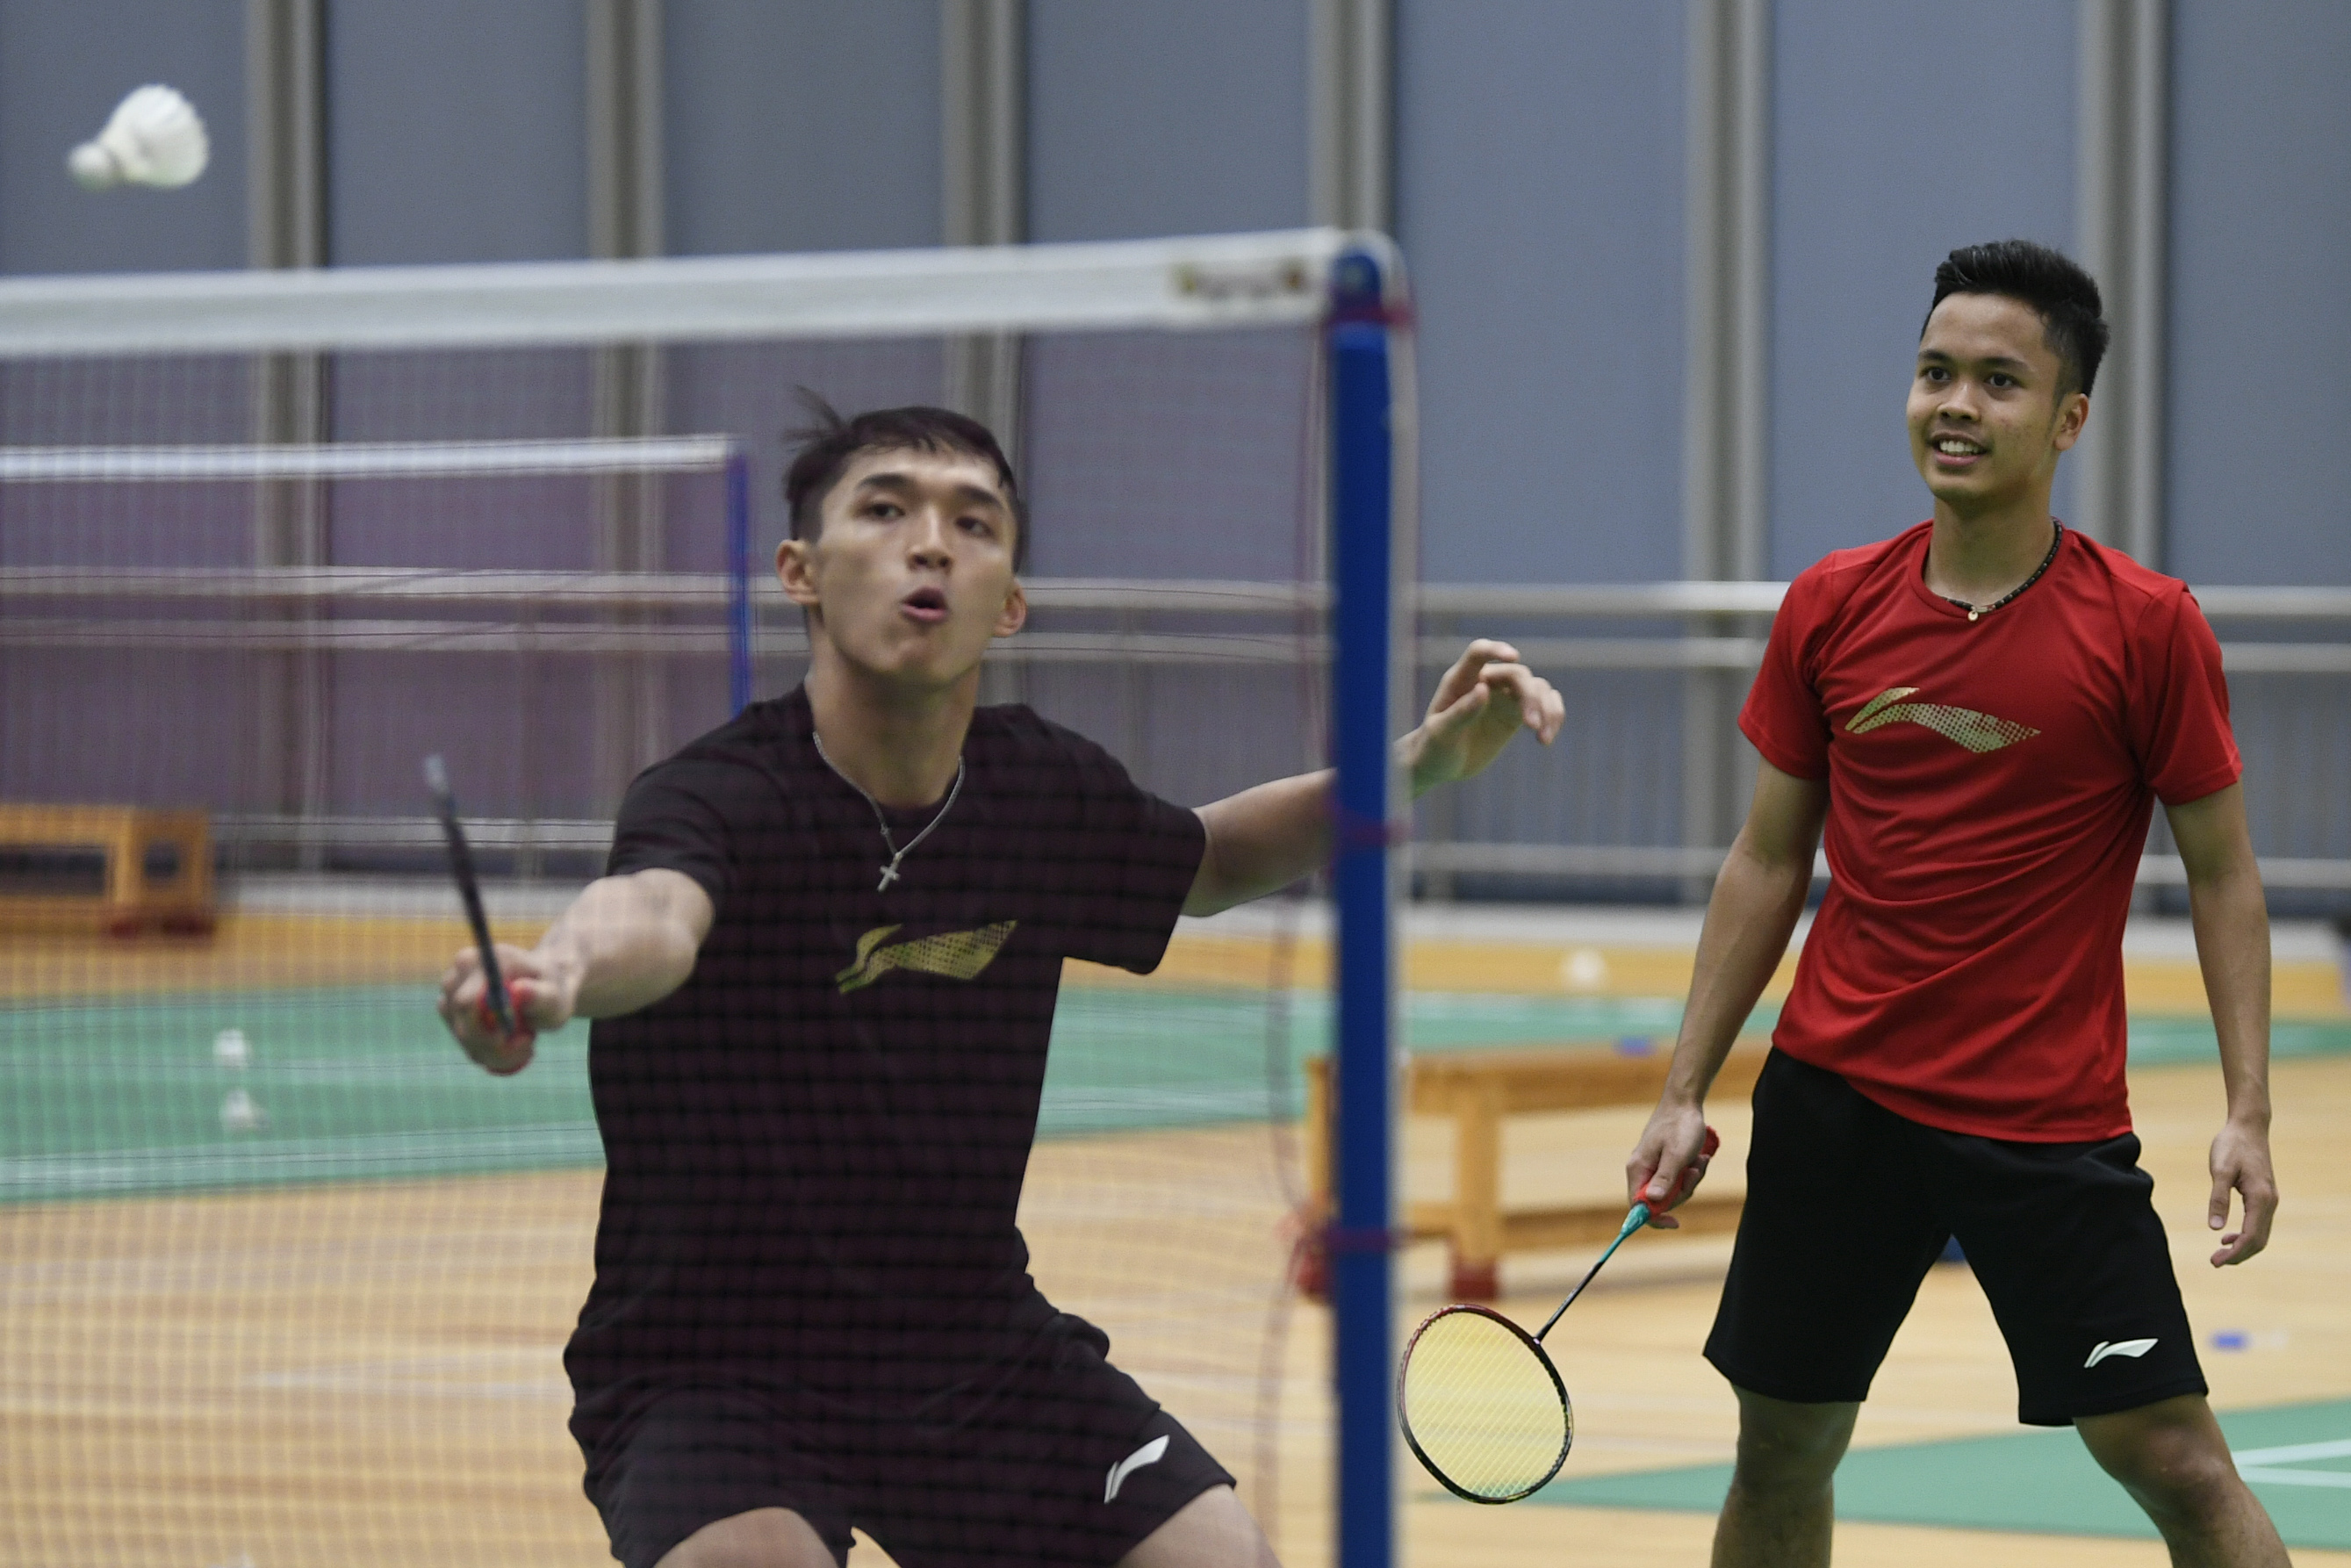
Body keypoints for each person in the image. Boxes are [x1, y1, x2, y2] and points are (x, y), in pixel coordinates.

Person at [439, 400, 1564, 1568]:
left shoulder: (1041, 789)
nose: (929, 542)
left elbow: (1213, 857)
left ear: (1010, 601)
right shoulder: (717, 794)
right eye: (884, 510)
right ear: (800, 573)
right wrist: (556, 970)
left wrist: (1418, 762)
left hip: (970, 1349)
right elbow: (659, 914)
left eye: (972, 523)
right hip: (717, 1365)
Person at [1626, 240, 2290, 1567]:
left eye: (1997, 380)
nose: (1955, 405)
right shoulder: (1829, 604)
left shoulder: (2148, 626)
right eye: (1935, 372)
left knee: (2172, 1457)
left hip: (2041, 1120)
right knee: (1781, 1448)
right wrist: (1683, 1082)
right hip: (1837, 1098)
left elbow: (2219, 872)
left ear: (2067, 418)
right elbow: (1766, 859)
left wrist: (2246, 1109)